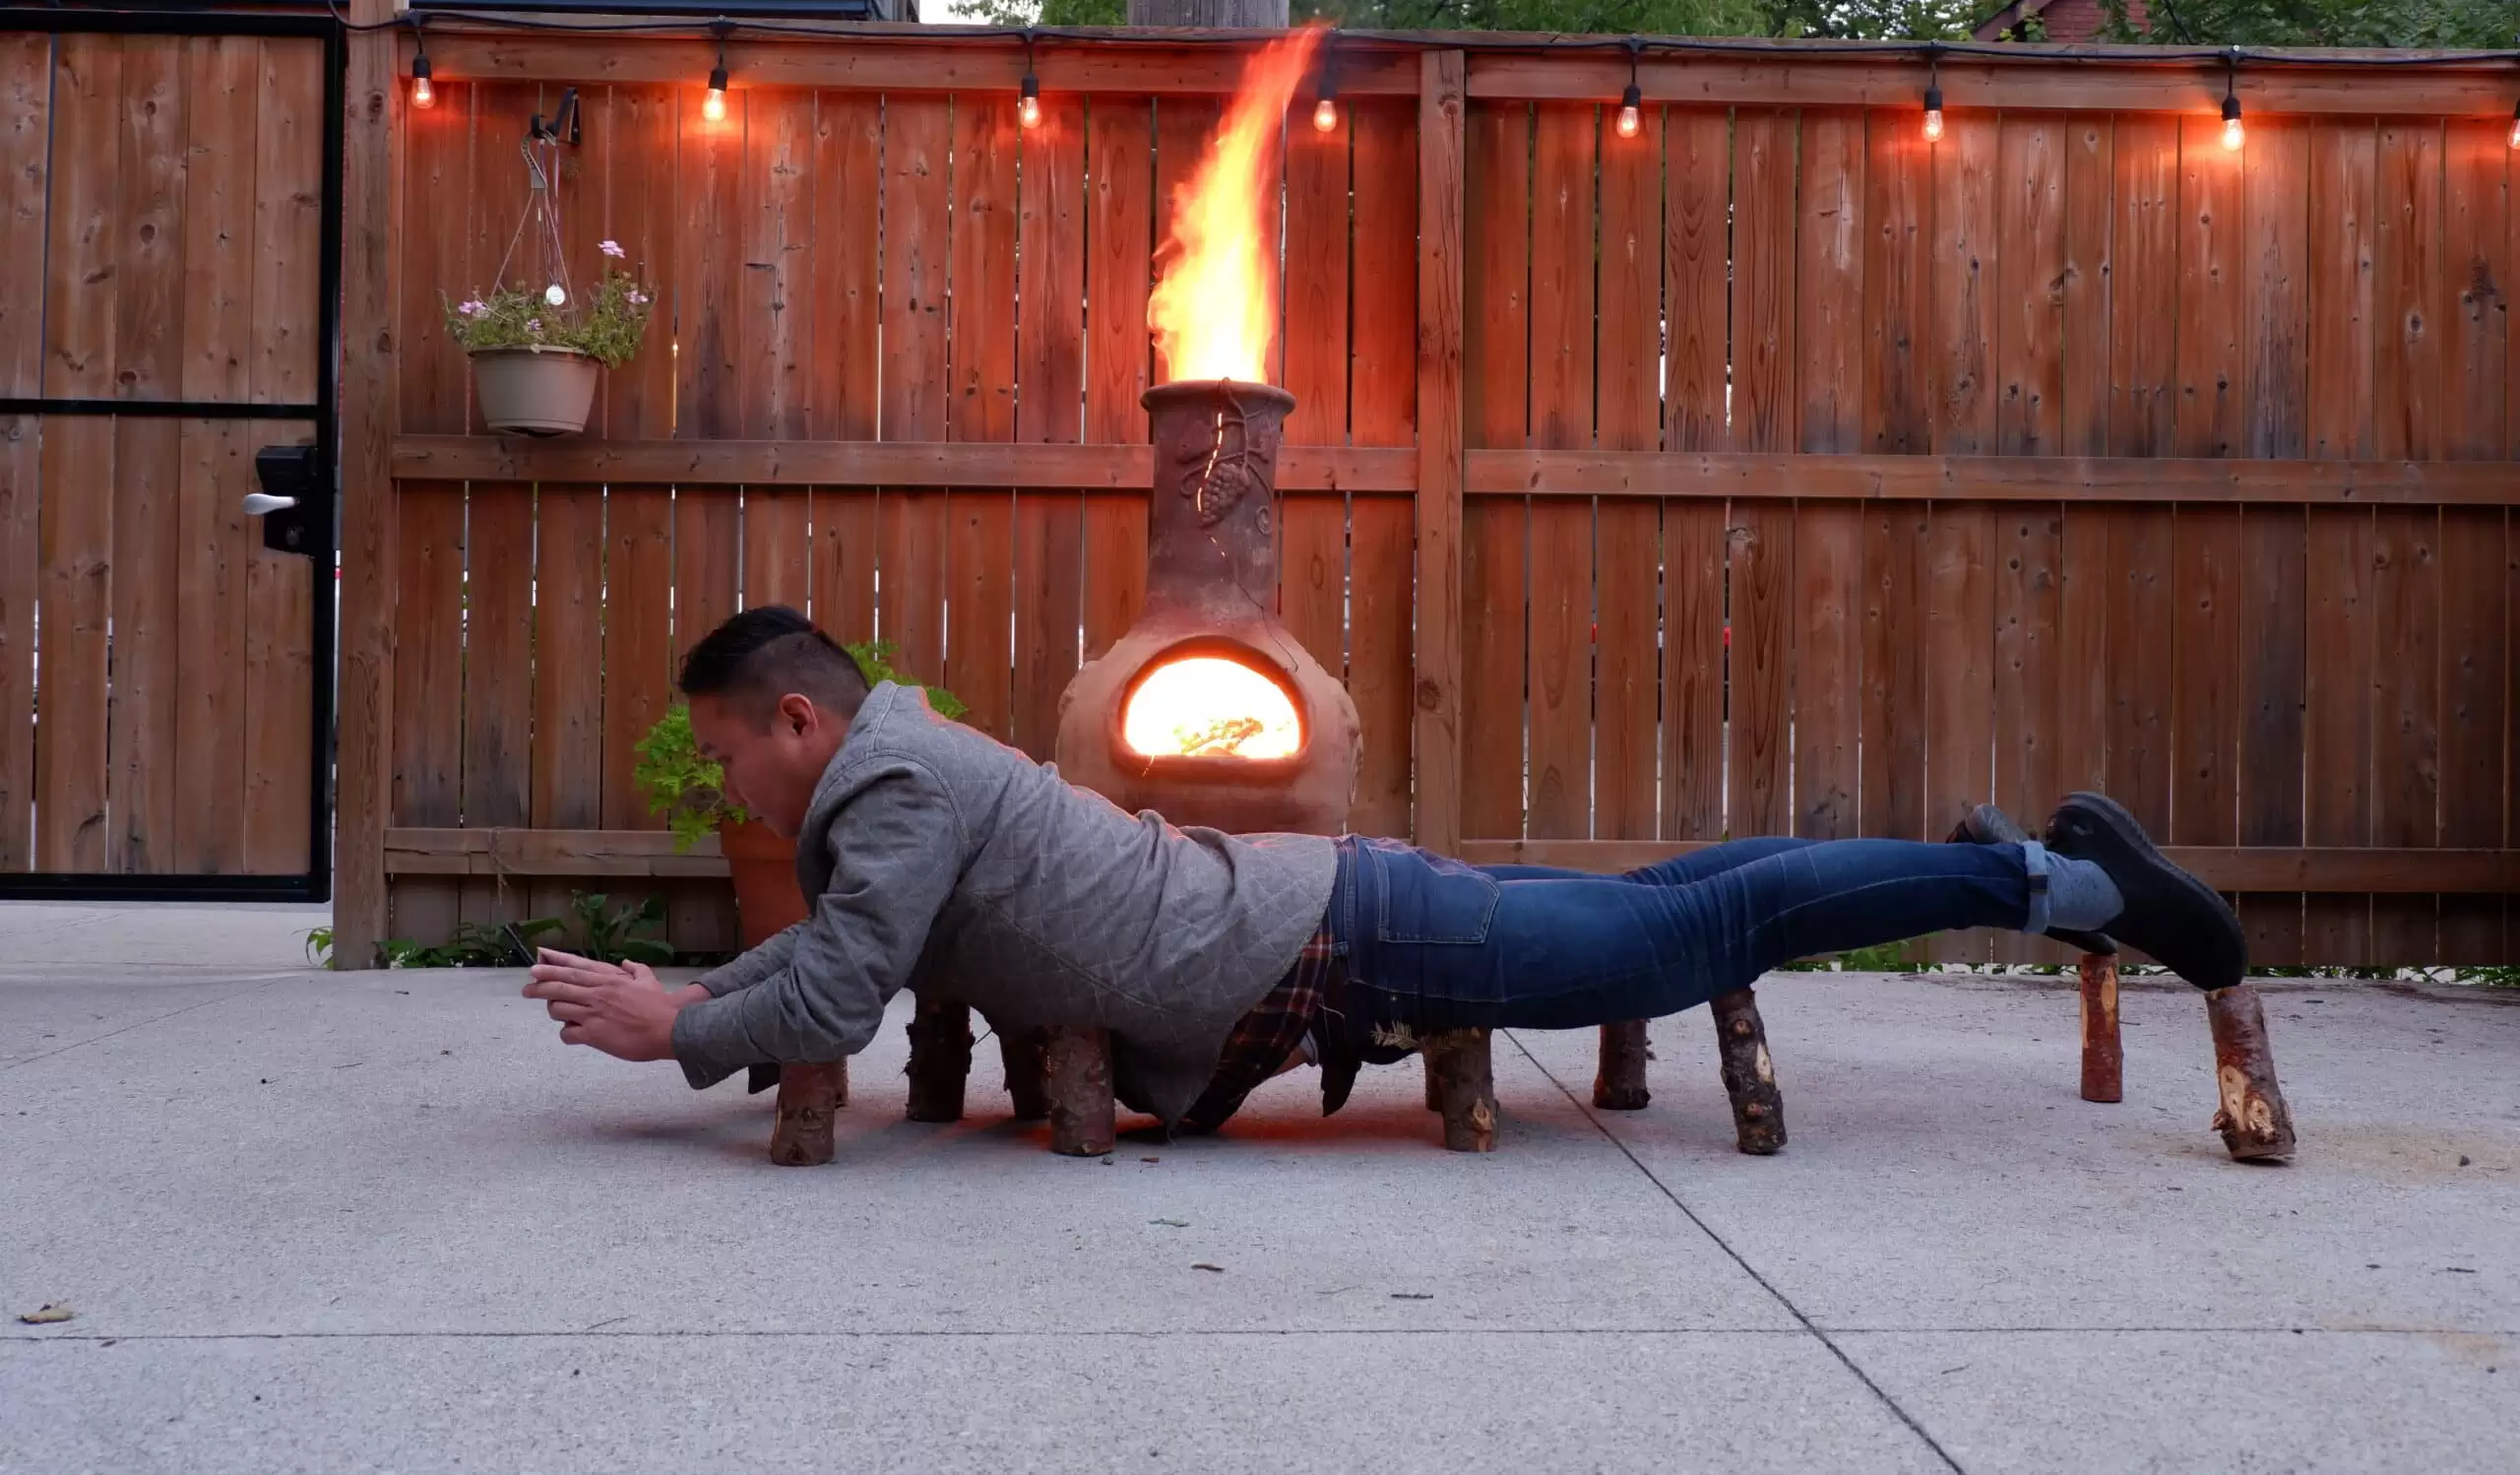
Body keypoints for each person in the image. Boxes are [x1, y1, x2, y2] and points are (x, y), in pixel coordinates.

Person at [525, 607, 2247, 1132]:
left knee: (1695, 925)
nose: (721, 771)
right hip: (1318, 920)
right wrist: (688, 1002)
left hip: (1334, 938)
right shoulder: (894, 772)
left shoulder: (891, 785)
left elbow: (832, 981)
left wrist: (672, 1021)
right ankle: (2001, 862)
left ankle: (2057, 887)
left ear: (801, 721)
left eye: (730, 744)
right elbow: (838, 950)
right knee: (1680, 905)